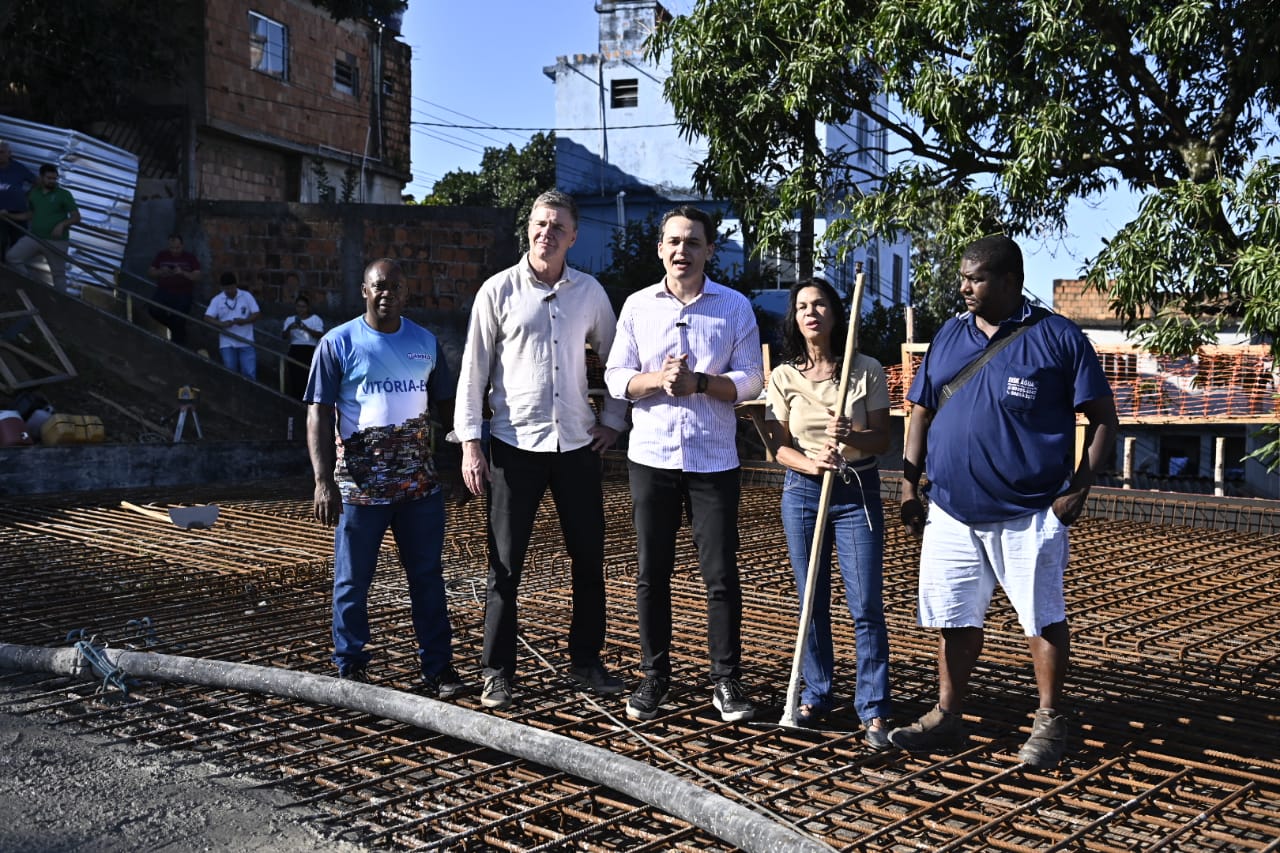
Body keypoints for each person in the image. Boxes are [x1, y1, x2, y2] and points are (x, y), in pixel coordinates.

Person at [889, 235, 1118, 770]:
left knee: (1041, 618)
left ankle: (1049, 720)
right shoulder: (949, 334)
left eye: (976, 277)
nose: (963, 286)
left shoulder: (1058, 338)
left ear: (1010, 280)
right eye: (963, 276)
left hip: (1029, 511)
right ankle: (948, 714)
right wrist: (908, 484)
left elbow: (1104, 418)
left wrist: (1076, 490)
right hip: (949, 508)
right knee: (954, 617)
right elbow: (920, 410)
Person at [454, 189, 629, 711]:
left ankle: (585, 661)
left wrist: (614, 421)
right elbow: (473, 371)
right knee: (505, 564)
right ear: (527, 228)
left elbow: (617, 356)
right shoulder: (498, 291)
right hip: (514, 445)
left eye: (556, 226)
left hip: (576, 444)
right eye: (538, 223)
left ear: (573, 236)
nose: (545, 233)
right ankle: (497, 672)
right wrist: (470, 443)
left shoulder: (590, 292)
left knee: (588, 559)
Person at [604, 205, 764, 723]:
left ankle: (726, 680)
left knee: (720, 574)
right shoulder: (636, 306)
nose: (681, 251)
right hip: (651, 458)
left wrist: (699, 384)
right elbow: (615, 378)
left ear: (709, 250)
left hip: (713, 459)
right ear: (659, 248)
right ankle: (655, 677)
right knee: (652, 573)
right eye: (673, 241)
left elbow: (751, 381)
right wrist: (659, 380)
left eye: (693, 242)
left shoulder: (734, 307)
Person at [305, 258, 463, 696]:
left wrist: (452, 467)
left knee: (427, 579)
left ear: (406, 293)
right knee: (353, 581)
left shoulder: (426, 343)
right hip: (359, 490)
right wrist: (323, 481)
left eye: (395, 287)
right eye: (378, 286)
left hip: (419, 490)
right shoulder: (337, 344)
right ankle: (350, 665)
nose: (386, 294)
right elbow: (318, 411)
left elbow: (445, 409)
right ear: (364, 291)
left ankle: (438, 667)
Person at [762, 278, 892, 749]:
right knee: (810, 599)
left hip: (856, 489)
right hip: (802, 490)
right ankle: (817, 694)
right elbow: (777, 446)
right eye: (801, 307)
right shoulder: (782, 377)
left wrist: (851, 435)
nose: (810, 312)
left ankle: (873, 708)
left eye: (819, 304)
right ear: (794, 319)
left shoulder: (866, 370)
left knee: (865, 604)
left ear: (836, 314)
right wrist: (811, 462)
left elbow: (883, 438)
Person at [6, 164, 80, 294]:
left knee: (58, 275)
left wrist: (62, 224)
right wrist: (9, 215)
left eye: (54, 178)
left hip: (56, 241)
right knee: (12, 257)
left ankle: (61, 304)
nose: (52, 181)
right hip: (35, 237)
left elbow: (76, 217)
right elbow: (30, 215)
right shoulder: (34, 193)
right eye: (49, 178)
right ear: (41, 177)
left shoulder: (64, 194)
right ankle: (30, 288)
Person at [146, 234, 201, 347]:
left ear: (182, 245)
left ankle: (178, 344)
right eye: (172, 248)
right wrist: (161, 271)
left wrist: (183, 273)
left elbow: (197, 276)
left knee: (180, 317)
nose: (175, 251)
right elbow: (151, 272)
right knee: (153, 309)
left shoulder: (189, 257)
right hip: (164, 291)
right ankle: (171, 328)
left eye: (177, 248)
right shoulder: (162, 255)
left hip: (183, 293)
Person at [204, 272, 261, 379]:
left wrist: (244, 321)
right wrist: (220, 324)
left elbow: (257, 313)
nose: (230, 291)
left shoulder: (246, 296)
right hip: (227, 343)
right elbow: (207, 317)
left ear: (236, 285)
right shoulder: (217, 300)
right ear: (222, 288)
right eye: (226, 289)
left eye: (231, 288)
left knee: (249, 372)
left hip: (246, 341)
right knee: (230, 372)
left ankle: (249, 394)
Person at [283, 294, 325, 398]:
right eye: (298, 306)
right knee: (295, 377)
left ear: (308, 307)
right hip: (295, 349)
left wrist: (305, 328)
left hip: (310, 350)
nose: (300, 309)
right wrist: (289, 328)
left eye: (303, 307)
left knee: (308, 377)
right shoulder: (290, 319)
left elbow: (320, 334)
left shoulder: (315, 319)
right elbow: (283, 336)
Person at [0, 141, 35, 261]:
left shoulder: (18, 167)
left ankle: (16, 272)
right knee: (1, 241)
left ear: (9, 154)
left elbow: (36, 182)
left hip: (17, 213)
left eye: (2, 152)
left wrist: (28, 195)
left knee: (19, 243)